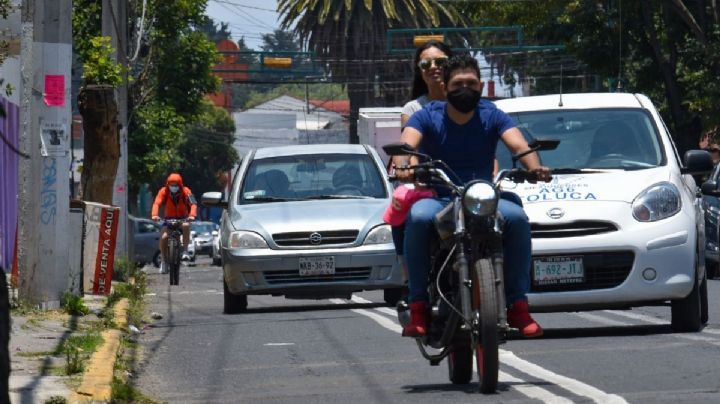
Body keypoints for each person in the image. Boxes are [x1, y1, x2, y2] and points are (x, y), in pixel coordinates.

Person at [393, 53, 551, 338]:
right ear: (446, 86)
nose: (464, 89)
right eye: (457, 84)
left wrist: (535, 168)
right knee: (417, 217)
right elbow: (407, 145)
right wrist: (404, 167)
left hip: (484, 197)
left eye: (471, 83)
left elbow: (519, 146)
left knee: (516, 218)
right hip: (441, 197)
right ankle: (418, 305)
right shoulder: (427, 115)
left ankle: (518, 305)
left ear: (480, 85)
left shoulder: (492, 114)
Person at [151, 173, 197, 274]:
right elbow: (157, 203)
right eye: (171, 185)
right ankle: (163, 261)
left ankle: (185, 251)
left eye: (176, 185)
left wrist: (192, 215)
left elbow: (193, 203)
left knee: (186, 226)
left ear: (180, 184)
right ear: (168, 184)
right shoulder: (163, 191)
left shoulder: (186, 191)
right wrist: (154, 215)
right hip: (168, 220)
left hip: (183, 219)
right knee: (163, 237)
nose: (173, 187)